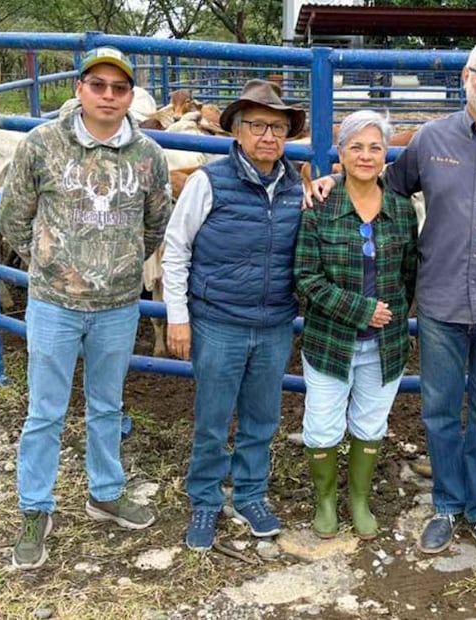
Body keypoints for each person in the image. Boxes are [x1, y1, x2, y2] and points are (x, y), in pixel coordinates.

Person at [310, 37, 476, 564]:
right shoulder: (430, 138)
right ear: (466, 77)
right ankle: (447, 503)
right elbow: (383, 190)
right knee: (441, 411)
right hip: (440, 305)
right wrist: (333, 180)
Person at [0, 46, 171, 570]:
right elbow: (12, 218)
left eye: (119, 89)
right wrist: (52, 265)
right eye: (98, 85)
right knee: (44, 410)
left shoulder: (148, 155)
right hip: (54, 303)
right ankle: (35, 508)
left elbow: (154, 224)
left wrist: (117, 268)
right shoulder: (42, 145)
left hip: (118, 306)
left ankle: (105, 492)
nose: (108, 96)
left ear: (130, 96)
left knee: (107, 405)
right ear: (80, 89)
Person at [161, 79, 306, 551]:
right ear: (237, 131)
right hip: (218, 321)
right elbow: (177, 249)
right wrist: (178, 317)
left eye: (278, 127)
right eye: (258, 125)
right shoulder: (209, 181)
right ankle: (205, 498)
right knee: (212, 416)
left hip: (274, 323)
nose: (269, 136)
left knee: (263, 418)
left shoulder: (295, 187)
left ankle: (250, 493)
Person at [294, 110, 418, 540]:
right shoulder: (319, 207)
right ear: (341, 154)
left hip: (386, 343)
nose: (366, 156)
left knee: (370, 422)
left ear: (386, 155)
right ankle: (325, 501)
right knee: (323, 423)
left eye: (375, 147)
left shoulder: (402, 211)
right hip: (330, 340)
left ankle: (359, 498)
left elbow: (408, 276)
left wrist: (390, 317)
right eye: (356, 147)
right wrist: (360, 310)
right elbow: (306, 279)